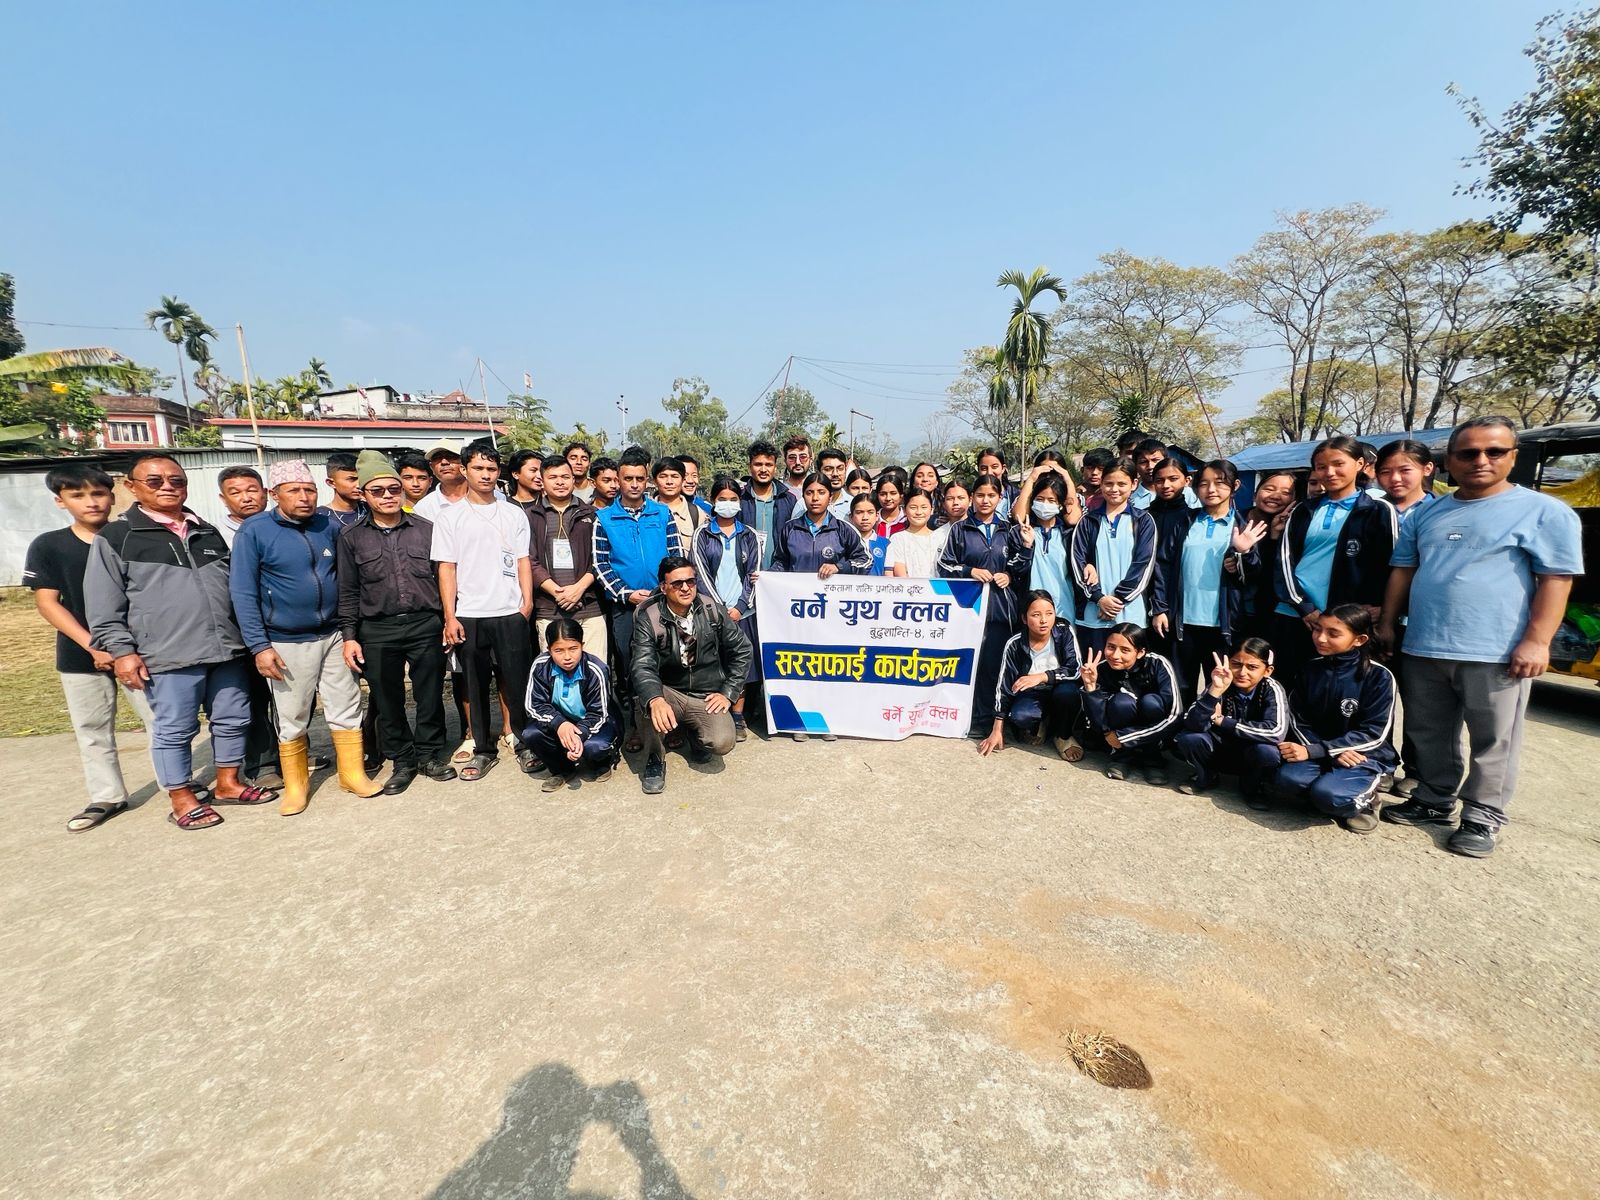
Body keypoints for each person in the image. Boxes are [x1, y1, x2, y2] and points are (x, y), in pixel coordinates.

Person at [1378, 415, 1583, 857]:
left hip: (1496, 649)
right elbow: (1403, 571)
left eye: (1494, 451)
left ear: (1513, 456)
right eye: (1468, 453)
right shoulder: (1428, 513)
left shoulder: (1544, 512)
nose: (1481, 460)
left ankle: (1483, 815)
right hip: (1425, 642)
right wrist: (1387, 624)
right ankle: (1433, 799)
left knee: (1494, 739)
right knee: (1427, 730)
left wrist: (1537, 641)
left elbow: (1556, 579)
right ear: (1449, 461)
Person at [25, 464, 213, 833]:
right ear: (60, 501)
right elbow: (48, 603)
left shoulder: (127, 537)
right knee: (93, 727)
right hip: (81, 653)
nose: (91, 502)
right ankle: (106, 795)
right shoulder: (50, 545)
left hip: (141, 650)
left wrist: (123, 649)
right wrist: (95, 646)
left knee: (162, 721)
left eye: (98, 493)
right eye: (78, 495)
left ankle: (175, 785)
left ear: (113, 496)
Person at [85, 454, 259, 830]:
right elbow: (103, 605)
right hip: (167, 653)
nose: (167, 486)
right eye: (155, 481)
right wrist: (123, 652)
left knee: (233, 718)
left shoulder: (206, 531)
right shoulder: (117, 537)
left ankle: (228, 782)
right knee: (175, 728)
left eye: (176, 481)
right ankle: (181, 797)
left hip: (225, 648)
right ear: (132, 487)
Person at [230, 459, 382, 813]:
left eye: (309, 490)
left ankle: (352, 773)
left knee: (346, 704)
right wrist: (259, 646)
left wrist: (350, 631)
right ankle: (296, 786)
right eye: (294, 490)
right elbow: (243, 592)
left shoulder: (326, 525)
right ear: (274, 494)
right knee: (293, 712)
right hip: (285, 639)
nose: (304, 497)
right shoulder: (255, 531)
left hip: (333, 633)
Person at [336, 452, 455, 795]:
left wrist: (448, 619)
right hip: (377, 628)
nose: (388, 496)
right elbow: (348, 590)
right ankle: (403, 761)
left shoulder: (426, 530)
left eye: (393, 489)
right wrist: (349, 636)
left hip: (424, 623)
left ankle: (429, 755)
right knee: (387, 700)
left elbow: (444, 577)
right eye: (378, 491)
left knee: (429, 694)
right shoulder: (351, 537)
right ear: (364, 495)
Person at [432, 441, 536, 782]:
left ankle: (524, 742)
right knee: (474, 685)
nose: (486, 475)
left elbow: (522, 560)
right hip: (469, 614)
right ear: (465, 470)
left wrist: (526, 604)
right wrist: (450, 616)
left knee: (518, 682)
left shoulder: (512, 513)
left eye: (492, 469)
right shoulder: (450, 517)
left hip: (510, 612)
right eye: (478, 468)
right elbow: (446, 568)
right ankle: (483, 749)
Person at [1273, 436, 1397, 684]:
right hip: (1298, 616)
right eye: (1321, 467)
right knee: (1292, 687)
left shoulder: (1379, 509)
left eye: (1338, 464)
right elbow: (1284, 561)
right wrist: (1305, 608)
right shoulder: (1303, 510)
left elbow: (1392, 565)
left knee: (1344, 691)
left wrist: (1384, 610)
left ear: (1359, 464)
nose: (1329, 472)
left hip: (1348, 622)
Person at [631, 556, 752, 794]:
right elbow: (642, 665)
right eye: (677, 583)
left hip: (705, 694)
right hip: (669, 692)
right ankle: (655, 758)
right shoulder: (649, 616)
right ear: (663, 587)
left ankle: (695, 737)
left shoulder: (711, 609)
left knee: (722, 742)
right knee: (645, 699)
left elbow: (743, 650)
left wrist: (728, 693)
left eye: (691, 581)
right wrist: (655, 699)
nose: (686, 588)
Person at [1271, 605, 1397, 834]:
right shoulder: (1310, 669)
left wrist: (1325, 749)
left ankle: (1367, 801)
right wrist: (1321, 750)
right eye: (1317, 629)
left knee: (1329, 795)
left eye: (1333, 633)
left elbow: (1375, 732)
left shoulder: (1379, 676)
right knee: (1286, 781)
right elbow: (1298, 718)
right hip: (1318, 749)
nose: (1320, 638)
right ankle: (1328, 792)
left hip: (1362, 755)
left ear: (1359, 640)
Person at [1150, 460, 1268, 704]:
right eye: (1204, 484)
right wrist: (1160, 608)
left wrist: (1243, 553)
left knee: (1220, 685)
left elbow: (1253, 575)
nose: (1211, 489)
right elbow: (1163, 565)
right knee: (1180, 685)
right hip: (1182, 621)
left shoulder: (1242, 527)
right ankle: (1179, 725)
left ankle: (1213, 725)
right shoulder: (1185, 521)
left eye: (1220, 483)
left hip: (1222, 624)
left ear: (1235, 485)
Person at [593, 446, 683, 750]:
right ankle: (636, 726)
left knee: (668, 662)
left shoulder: (662, 513)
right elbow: (601, 565)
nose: (634, 484)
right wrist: (626, 593)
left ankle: (670, 723)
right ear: (618, 480)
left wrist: (666, 591)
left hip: (662, 603)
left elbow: (676, 556)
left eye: (640, 478)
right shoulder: (604, 518)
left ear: (647, 480)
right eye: (628, 478)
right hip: (625, 608)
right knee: (631, 667)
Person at [937, 474, 1032, 737]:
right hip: (969, 610)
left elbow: (1020, 567)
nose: (985, 500)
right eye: (980, 495)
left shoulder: (1009, 530)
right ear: (972, 498)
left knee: (997, 666)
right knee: (974, 666)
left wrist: (1010, 572)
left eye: (991, 495)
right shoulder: (960, 529)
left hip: (1001, 609)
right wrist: (969, 571)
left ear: (1000, 498)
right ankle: (976, 720)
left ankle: (998, 719)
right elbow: (944, 566)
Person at [1372, 439, 1437, 798]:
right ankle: (1380, 762)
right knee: (1377, 695)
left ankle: (1418, 770)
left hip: (1418, 622)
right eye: (1386, 471)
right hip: (1370, 619)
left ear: (1427, 469)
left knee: (1420, 701)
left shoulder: (1439, 512)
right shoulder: (1369, 510)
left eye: (1404, 470)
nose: (1394, 478)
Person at [1170, 640, 1287, 807]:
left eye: (1252, 667)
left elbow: (1276, 731)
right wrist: (1215, 692)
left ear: (1267, 671)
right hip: (1220, 749)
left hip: (1250, 752)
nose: (1242, 672)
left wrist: (1223, 721)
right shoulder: (1222, 682)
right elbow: (1191, 724)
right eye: (1236, 664)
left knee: (1267, 751)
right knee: (1190, 738)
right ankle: (1206, 776)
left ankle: (1253, 787)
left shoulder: (1272, 689)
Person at [691, 475, 762, 740]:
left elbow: (754, 573)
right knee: (713, 663)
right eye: (722, 499)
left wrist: (740, 607)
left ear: (740, 502)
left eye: (733, 499)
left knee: (740, 664)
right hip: (711, 612)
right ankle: (714, 715)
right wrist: (719, 610)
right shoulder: (702, 534)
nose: (728, 504)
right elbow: (700, 573)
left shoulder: (749, 535)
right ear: (713, 501)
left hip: (743, 613)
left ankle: (738, 716)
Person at [977, 590, 1083, 761]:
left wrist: (1042, 676)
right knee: (1021, 716)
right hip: (1032, 694)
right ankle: (1041, 722)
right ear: (1024, 619)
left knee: (1069, 693)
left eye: (1049, 613)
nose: (1044, 620)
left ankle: (1063, 736)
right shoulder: (1014, 644)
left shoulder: (1064, 631)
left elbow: (1075, 669)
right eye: (1036, 615)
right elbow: (1003, 687)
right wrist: (997, 729)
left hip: (1060, 687)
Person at [522, 617, 621, 792]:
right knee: (531, 734)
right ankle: (562, 769)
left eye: (573, 649)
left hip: (593, 724)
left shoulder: (596, 669)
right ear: (549, 650)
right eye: (558, 650)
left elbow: (598, 714)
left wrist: (579, 735)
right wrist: (559, 723)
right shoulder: (540, 666)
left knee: (595, 747)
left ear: (582, 645)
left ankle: (601, 762)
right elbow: (535, 705)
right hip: (560, 722)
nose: (567, 657)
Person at [1070, 458, 1157, 653]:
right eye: (1108, 483)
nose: (1114, 489)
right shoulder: (1088, 521)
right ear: (1101, 484)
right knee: (1094, 666)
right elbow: (1077, 563)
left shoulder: (1143, 521)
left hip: (1130, 614)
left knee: (1127, 665)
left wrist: (1116, 601)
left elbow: (1143, 565)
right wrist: (1099, 598)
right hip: (1093, 615)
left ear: (1133, 484)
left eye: (1121, 484)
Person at [1079, 624, 1181, 783]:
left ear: (1140, 652)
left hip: (1154, 735)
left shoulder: (1158, 664)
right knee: (1122, 702)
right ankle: (1121, 758)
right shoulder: (1100, 669)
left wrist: (1126, 737)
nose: (1115, 655)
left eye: (1125, 650)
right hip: (1115, 740)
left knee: (1151, 702)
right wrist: (1090, 687)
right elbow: (1096, 722)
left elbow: (1175, 715)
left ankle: (1152, 759)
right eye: (1111, 647)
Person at [527, 453, 606, 657]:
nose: (560, 482)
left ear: (573, 479)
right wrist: (558, 593)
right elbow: (530, 561)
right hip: (549, 608)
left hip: (589, 606)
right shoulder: (531, 517)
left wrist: (579, 589)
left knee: (596, 667)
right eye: (553, 477)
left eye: (565, 477)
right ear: (542, 481)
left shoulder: (591, 514)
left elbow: (601, 558)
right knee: (557, 670)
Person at [770, 473, 873, 578]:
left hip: (831, 588)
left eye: (821, 492)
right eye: (809, 493)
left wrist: (839, 567)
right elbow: (780, 563)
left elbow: (865, 560)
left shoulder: (844, 529)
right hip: (798, 588)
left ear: (830, 497)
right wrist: (765, 577)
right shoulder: (790, 529)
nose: (815, 498)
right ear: (803, 497)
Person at [1237, 469, 1298, 639]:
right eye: (1269, 489)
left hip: (1270, 614)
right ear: (1255, 494)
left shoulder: (1293, 528)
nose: (1276, 496)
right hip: (1232, 611)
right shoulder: (1234, 520)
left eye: (1286, 492)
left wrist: (1274, 537)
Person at [1016, 473, 1076, 616]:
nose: (1044, 504)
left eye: (1051, 500)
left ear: (1060, 505)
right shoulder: (1019, 532)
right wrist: (1026, 546)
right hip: (1030, 609)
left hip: (1064, 608)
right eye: (1040, 499)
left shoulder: (1069, 535)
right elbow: (1016, 571)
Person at [739, 440, 795, 570]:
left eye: (768, 465)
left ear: (775, 467)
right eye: (758, 464)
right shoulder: (740, 499)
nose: (763, 470)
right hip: (746, 572)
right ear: (750, 466)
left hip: (779, 573)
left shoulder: (789, 500)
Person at [886, 488, 940, 578]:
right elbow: (899, 570)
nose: (919, 512)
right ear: (904, 510)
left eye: (924, 507)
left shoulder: (940, 538)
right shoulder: (898, 538)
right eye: (913, 507)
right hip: (908, 586)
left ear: (931, 510)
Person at [652, 456, 703, 545]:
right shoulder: (645, 512)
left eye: (675, 476)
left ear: (682, 480)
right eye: (663, 477)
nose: (669, 482)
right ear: (655, 481)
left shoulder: (697, 514)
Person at [413, 439, 468, 521]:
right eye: (437, 458)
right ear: (432, 467)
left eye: (451, 457)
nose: (444, 462)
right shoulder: (423, 508)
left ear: (465, 463)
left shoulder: (486, 497)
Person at [217, 465, 267, 546]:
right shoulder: (215, 535)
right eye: (235, 493)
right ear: (224, 499)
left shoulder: (283, 526)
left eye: (252, 490)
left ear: (265, 493)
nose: (246, 499)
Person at [318, 452, 366, 531]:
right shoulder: (320, 517)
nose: (358, 485)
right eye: (351, 479)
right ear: (331, 483)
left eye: (361, 479)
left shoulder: (372, 511)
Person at [850, 493, 889, 576]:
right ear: (851, 517)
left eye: (870, 512)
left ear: (877, 516)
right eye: (859, 512)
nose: (865, 517)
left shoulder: (886, 544)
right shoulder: (843, 544)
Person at [933, 480, 970, 556]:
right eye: (950, 498)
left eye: (961, 498)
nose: (955, 503)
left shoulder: (980, 531)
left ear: (971, 500)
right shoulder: (936, 536)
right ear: (944, 504)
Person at [1079, 447, 1115, 511]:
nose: (1094, 473)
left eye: (1101, 469)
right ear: (1082, 470)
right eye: (1090, 468)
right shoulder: (1074, 493)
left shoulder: (1113, 496)